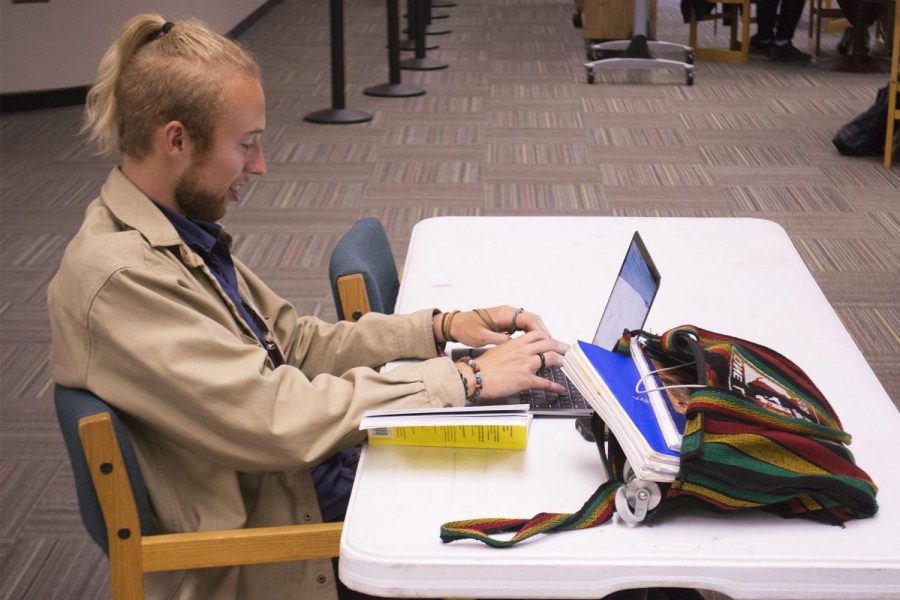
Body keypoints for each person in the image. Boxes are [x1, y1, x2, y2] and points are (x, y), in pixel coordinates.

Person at [47, 14, 568, 600]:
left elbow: (295, 345)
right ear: (176, 141)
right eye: (246, 144)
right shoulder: (121, 280)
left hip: (311, 481)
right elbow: (277, 419)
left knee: (549, 478)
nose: (261, 164)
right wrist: (465, 379)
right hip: (292, 541)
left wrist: (440, 329)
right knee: (555, 536)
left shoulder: (172, 234)